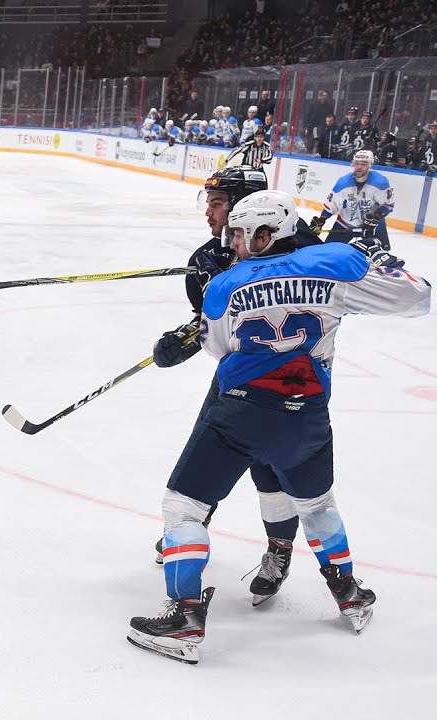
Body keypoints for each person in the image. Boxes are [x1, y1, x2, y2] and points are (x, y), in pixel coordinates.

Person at [128, 190, 430, 665]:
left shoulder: (226, 283)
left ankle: (185, 615)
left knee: (184, 506)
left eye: (242, 234)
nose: (235, 243)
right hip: (307, 417)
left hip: (240, 415)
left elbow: (217, 347)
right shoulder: (335, 264)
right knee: (318, 505)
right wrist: (379, 261)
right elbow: (418, 298)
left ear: (266, 234)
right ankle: (349, 592)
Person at [150, 167, 318, 606]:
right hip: (237, 376)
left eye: (218, 203)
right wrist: (182, 341)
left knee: (273, 470)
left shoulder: (302, 250)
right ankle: (191, 530)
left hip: (293, 380)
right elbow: (211, 329)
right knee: (208, 455)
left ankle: (279, 550)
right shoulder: (206, 260)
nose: (209, 212)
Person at [310, 150, 395, 249]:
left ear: (370, 165)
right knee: (328, 252)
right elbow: (331, 206)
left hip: (373, 227)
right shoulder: (343, 183)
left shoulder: (380, 183)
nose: (359, 167)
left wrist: (375, 218)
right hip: (345, 224)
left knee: (381, 256)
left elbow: (388, 205)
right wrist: (321, 221)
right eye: (357, 164)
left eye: (363, 164)